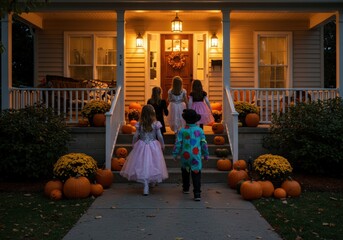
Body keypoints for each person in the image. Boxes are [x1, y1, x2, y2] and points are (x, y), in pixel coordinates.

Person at [120, 104, 168, 196]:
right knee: (153, 163)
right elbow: (160, 136)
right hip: (153, 145)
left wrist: (133, 143)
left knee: (143, 164)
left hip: (142, 144)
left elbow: (135, 135)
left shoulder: (140, 124)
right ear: (152, 114)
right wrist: (162, 144)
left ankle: (147, 185)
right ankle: (149, 183)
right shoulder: (155, 124)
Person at [172, 109, 209, 201]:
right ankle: (197, 193)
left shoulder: (182, 131)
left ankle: (186, 188)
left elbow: (178, 143)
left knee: (185, 171)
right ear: (196, 120)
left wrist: (175, 154)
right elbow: (203, 143)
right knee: (196, 173)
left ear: (185, 120)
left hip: (185, 155)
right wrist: (206, 154)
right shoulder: (200, 130)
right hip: (195, 156)